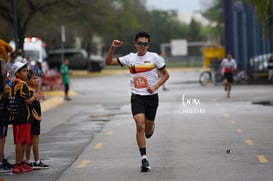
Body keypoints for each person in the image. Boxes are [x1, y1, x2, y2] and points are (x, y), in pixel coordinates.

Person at [105, 32, 169, 172]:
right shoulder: (130, 58)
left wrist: (155, 86)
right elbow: (108, 62)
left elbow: (166, 75)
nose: (142, 46)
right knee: (139, 124)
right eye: (139, 43)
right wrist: (112, 48)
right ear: (135, 44)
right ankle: (144, 158)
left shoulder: (154, 58)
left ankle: (150, 128)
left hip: (152, 97)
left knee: (147, 130)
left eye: (145, 44)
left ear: (148, 45)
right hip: (137, 97)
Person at [9, 61, 38, 173]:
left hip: (18, 116)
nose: (26, 73)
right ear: (17, 73)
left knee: (22, 141)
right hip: (22, 117)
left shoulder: (15, 83)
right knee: (21, 142)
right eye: (24, 71)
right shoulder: (22, 85)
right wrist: (34, 97)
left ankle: (21, 163)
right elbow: (27, 100)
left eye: (26, 71)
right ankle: (18, 164)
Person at [25, 69, 49, 169]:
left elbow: (38, 96)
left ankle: (29, 160)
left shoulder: (32, 90)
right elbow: (30, 106)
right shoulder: (29, 91)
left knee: (33, 139)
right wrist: (35, 116)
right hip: (33, 118)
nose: (37, 80)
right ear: (28, 80)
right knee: (33, 139)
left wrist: (38, 87)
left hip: (35, 117)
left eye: (37, 78)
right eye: (34, 78)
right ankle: (35, 160)